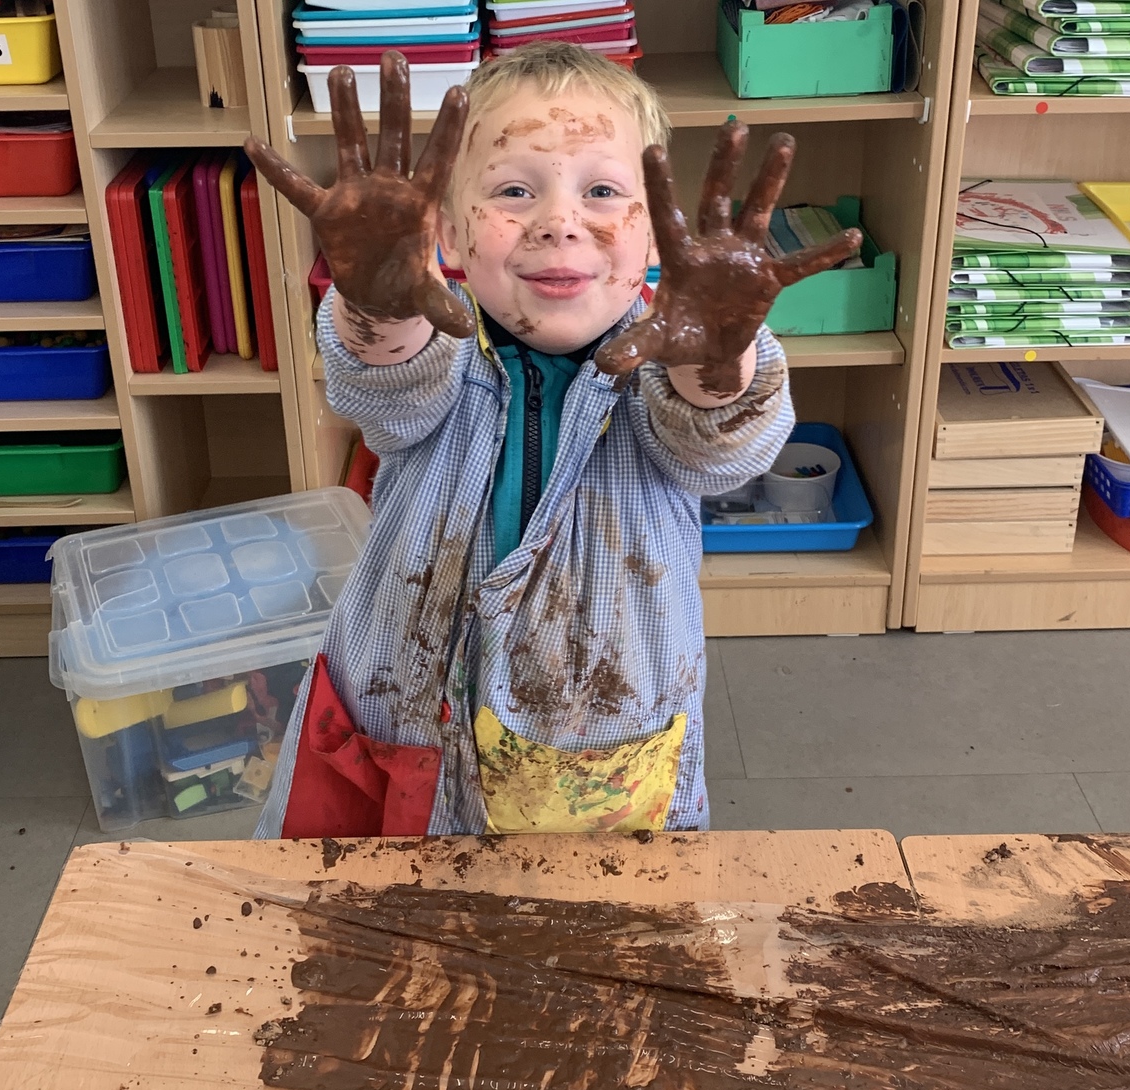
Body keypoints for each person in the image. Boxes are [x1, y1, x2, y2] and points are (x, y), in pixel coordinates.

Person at [245, 42, 857, 838]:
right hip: (403, 718)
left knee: (595, 914)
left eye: (602, 190)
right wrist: (379, 305)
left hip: (600, 736)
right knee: (385, 907)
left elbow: (718, 448)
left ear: (655, 235)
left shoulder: (670, 371)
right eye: (513, 190)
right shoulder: (437, 347)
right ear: (447, 234)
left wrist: (717, 352)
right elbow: (385, 394)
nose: (560, 223)